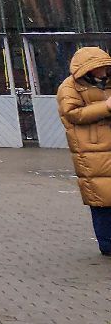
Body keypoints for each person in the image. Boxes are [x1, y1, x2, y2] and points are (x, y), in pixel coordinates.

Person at [58, 46, 111, 254]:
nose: (104, 72)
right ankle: (107, 246)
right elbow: (72, 114)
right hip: (91, 150)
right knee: (101, 200)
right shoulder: (69, 87)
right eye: (100, 68)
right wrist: (106, 107)